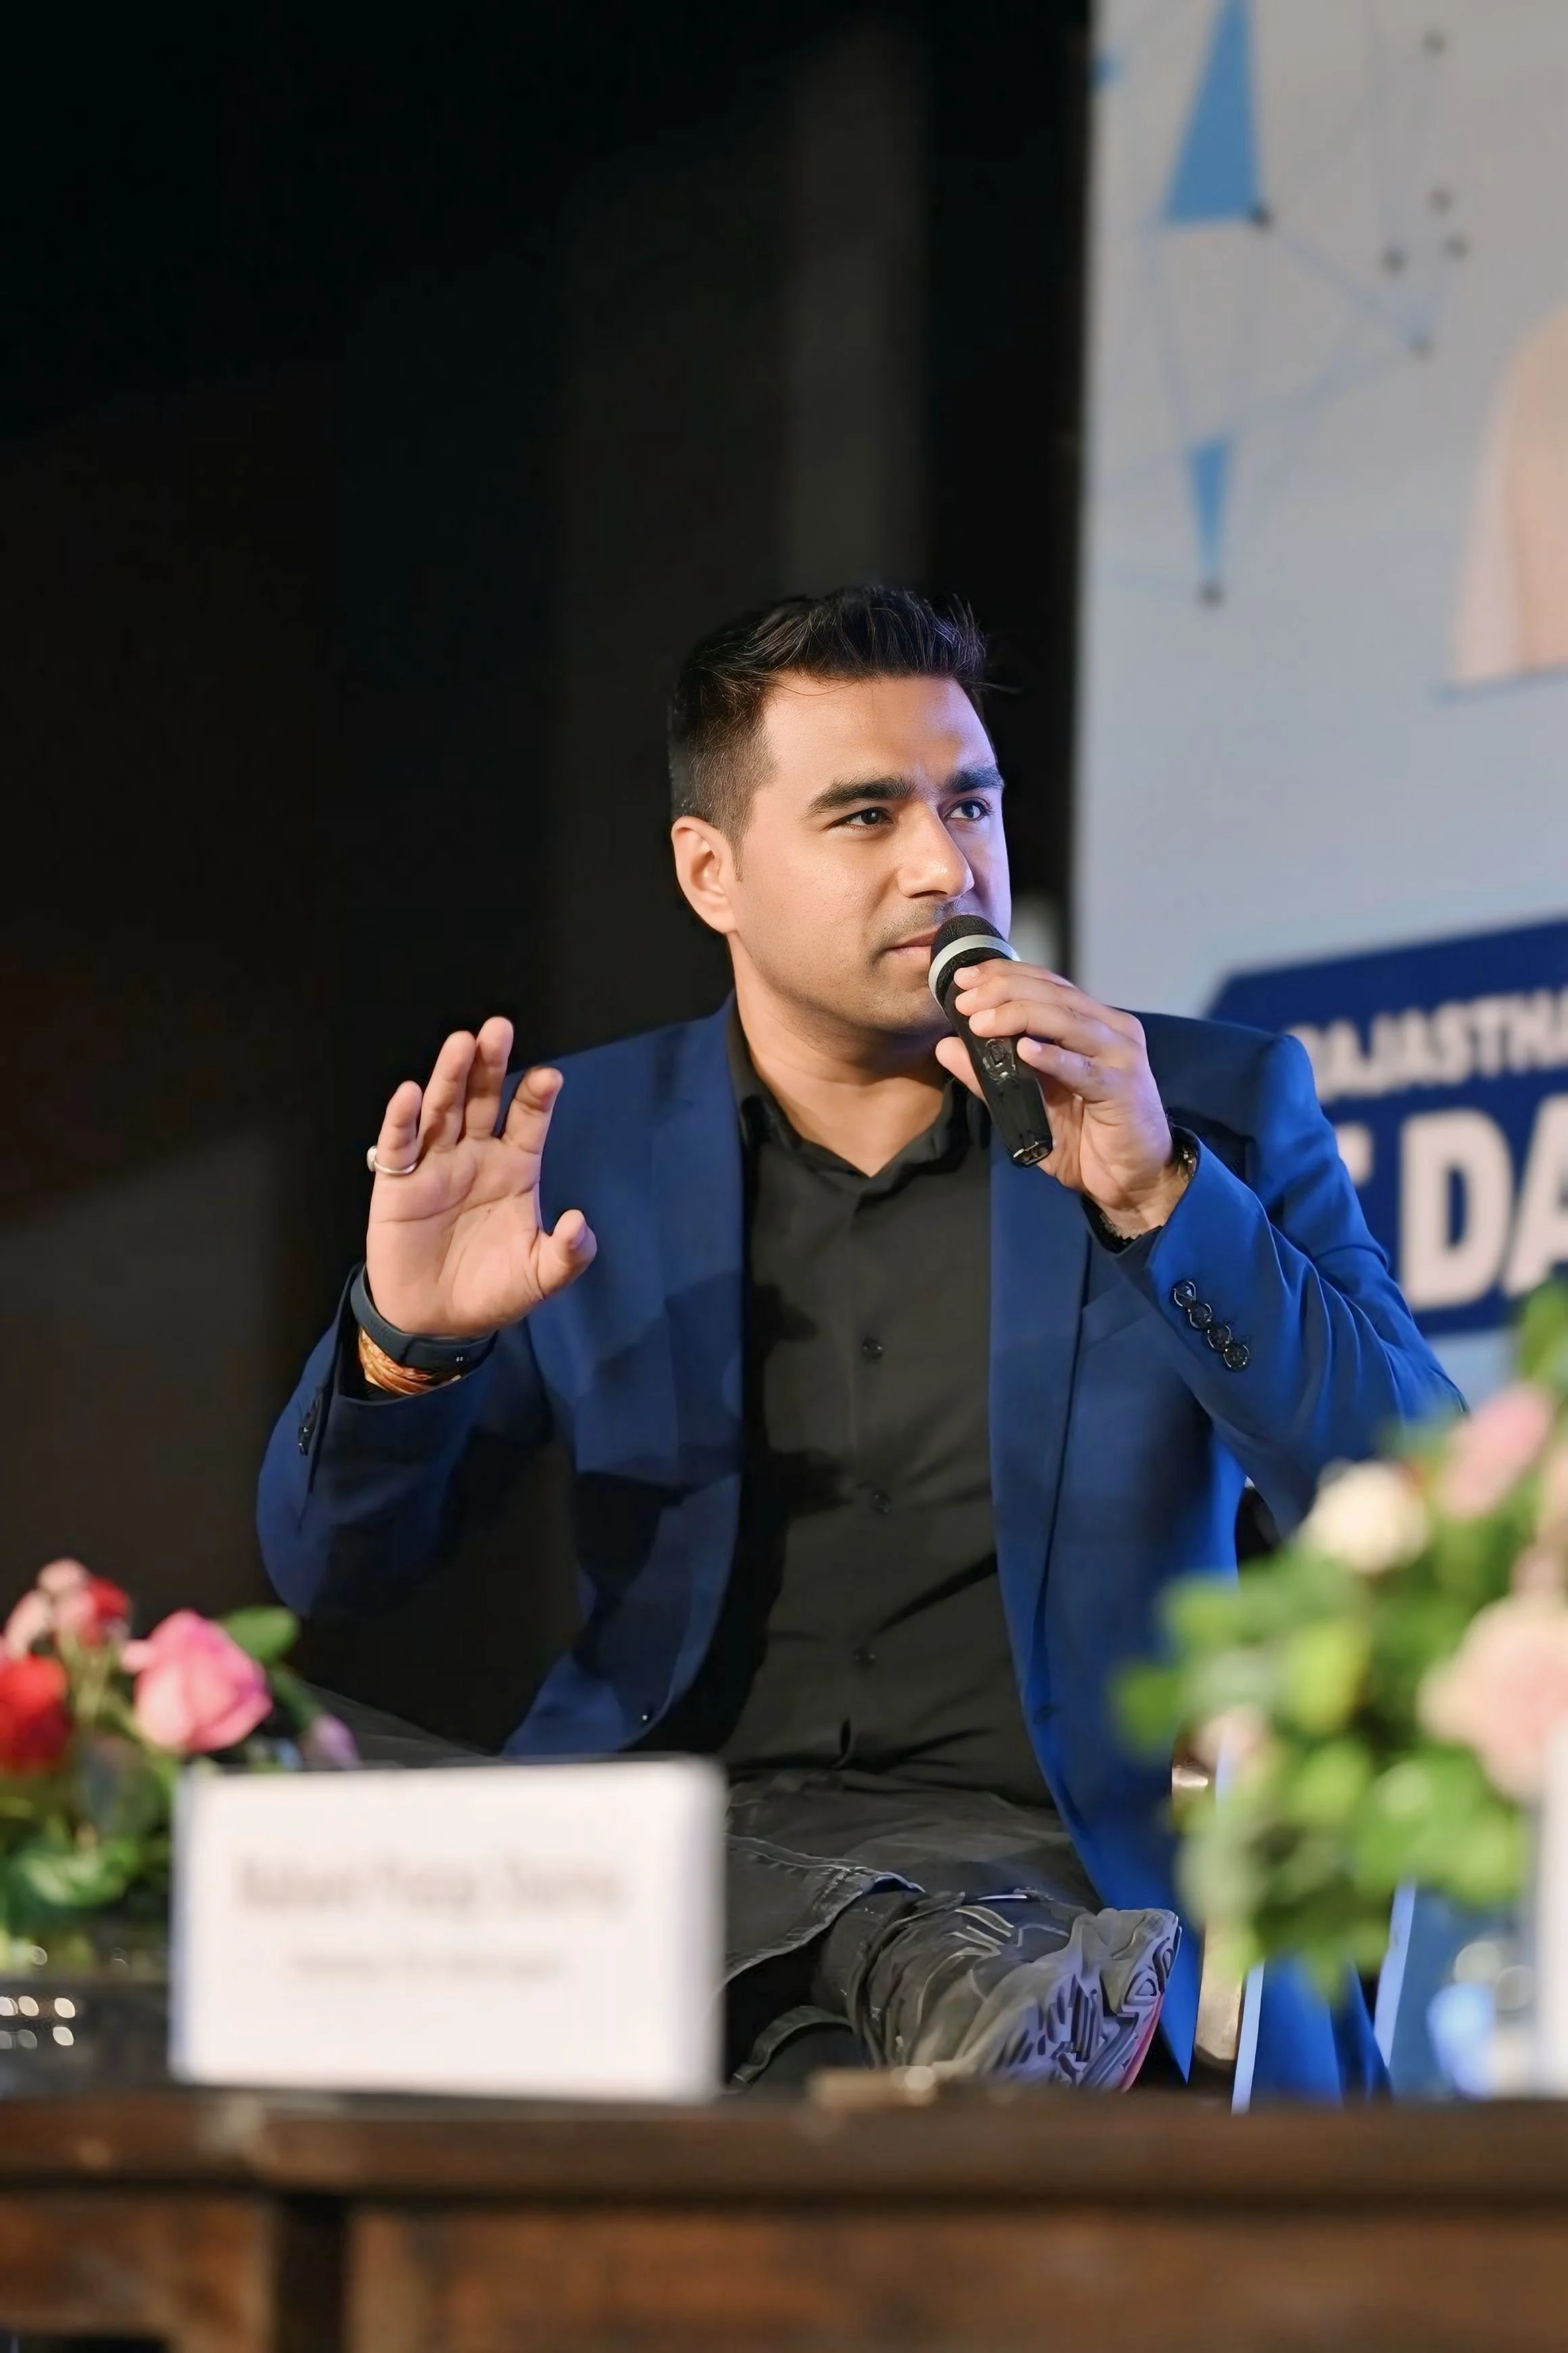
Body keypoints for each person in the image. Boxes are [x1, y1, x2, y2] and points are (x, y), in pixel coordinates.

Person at [260, 586, 1458, 2097]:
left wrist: (1160, 1200)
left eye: (969, 802)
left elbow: (1414, 1496)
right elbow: (329, 1571)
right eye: (864, 815)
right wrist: (403, 1348)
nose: (945, 865)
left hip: (1052, 1870)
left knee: (804, 2045)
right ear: (713, 874)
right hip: (652, 1861)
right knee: (288, 1815)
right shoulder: (580, 1145)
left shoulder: (1196, 1104)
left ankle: (889, 1974)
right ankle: (873, 1961)